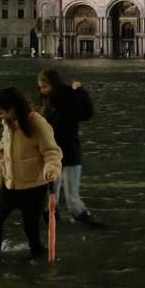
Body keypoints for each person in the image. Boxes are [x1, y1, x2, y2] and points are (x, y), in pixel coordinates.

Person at [0, 87, 63, 258]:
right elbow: (5, 142)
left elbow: (52, 151)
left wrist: (51, 169)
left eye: (0, 112)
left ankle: (37, 258)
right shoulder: (8, 122)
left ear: (12, 109)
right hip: (10, 183)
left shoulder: (37, 123)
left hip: (34, 186)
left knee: (31, 227)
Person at [37, 68, 101, 226]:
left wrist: (80, 92)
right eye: (40, 87)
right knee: (53, 194)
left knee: (67, 194)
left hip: (66, 151)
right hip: (55, 153)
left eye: (44, 87)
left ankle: (75, 218)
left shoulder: (67, 99)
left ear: (53, 85)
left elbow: (86, 114)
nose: (42, 90)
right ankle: (56, 219)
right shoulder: (48, 101)